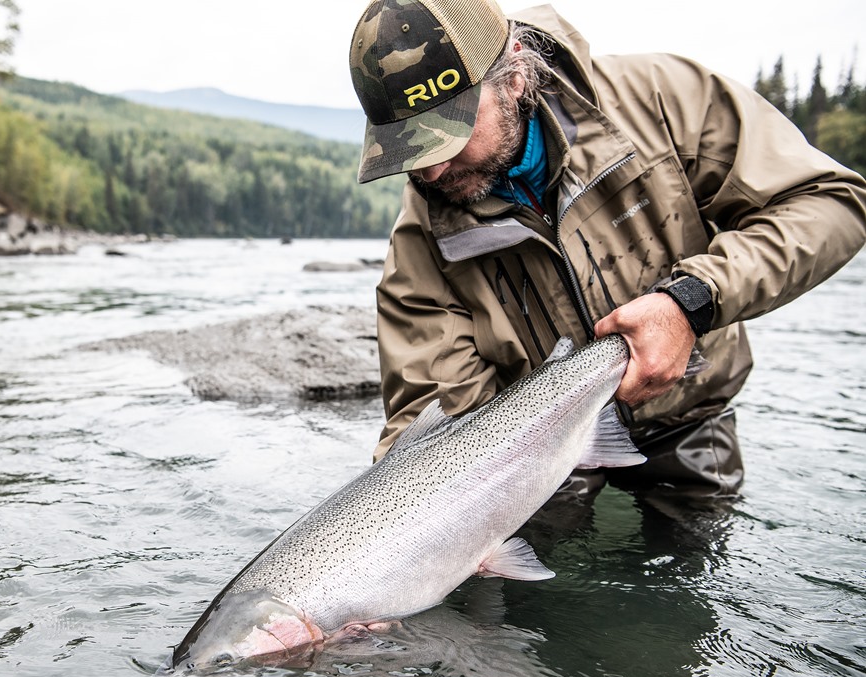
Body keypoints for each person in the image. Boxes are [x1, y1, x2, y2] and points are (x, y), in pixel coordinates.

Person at [348, 0, 866, 509]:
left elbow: (829, 201)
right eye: (408, 150)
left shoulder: (663, 100)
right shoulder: (421, 241)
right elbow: (436, 421)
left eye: (449, 133)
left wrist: (692, 301)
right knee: (536, 590)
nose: (432, 171)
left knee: (695, 573)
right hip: (536, 453)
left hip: (686, 414)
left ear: (515, 76)